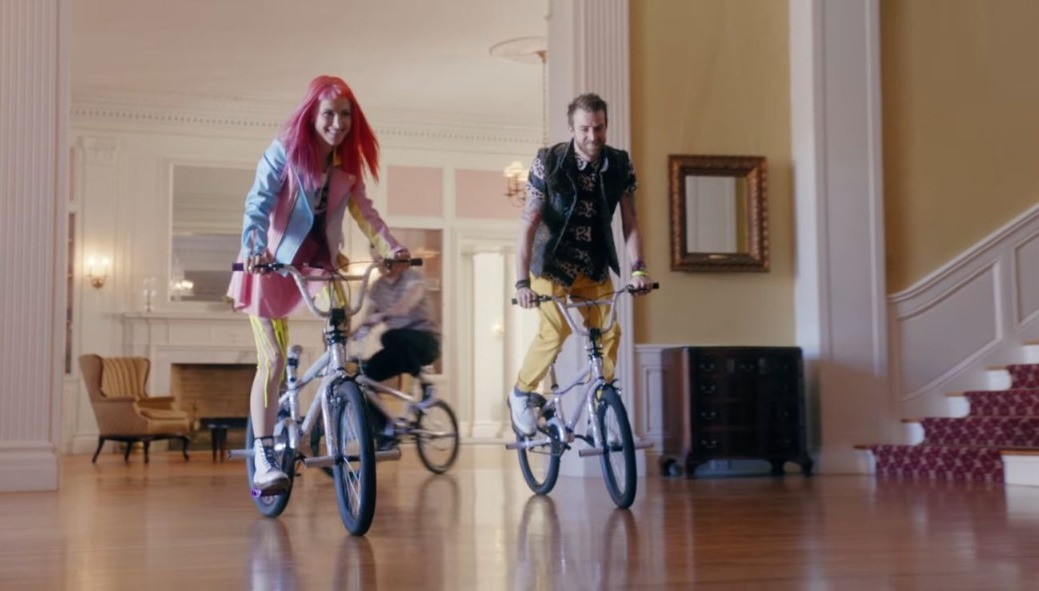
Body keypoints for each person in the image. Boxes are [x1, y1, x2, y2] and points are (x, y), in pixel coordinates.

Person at [228, 75, 409, 491]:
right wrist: (255, 250)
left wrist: (393, 249)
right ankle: (263, 457)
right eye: (329, 113)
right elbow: (257, 206)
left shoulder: (347, 168)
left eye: (345, 115)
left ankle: (329, 415)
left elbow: (367, 215)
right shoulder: (283, 154)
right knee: (270, 360)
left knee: (339, 341)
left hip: (319, 264)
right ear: (311, 115)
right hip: (270, 265)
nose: (338, 123)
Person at [510, 92, 653, 437]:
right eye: (585, 129)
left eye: (599, 128)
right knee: (555, 330)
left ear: (606, 125)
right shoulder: (549, 162)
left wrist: (639, 269)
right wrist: (521, 283)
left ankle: (602, 399)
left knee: (609, 331)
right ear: (572, 128)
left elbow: (630, 221)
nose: (593, 137)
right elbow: (528, 224)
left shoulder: (620, 164)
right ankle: (521, 392)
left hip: (593, 266)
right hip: (551, 265)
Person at [358, 251, 441, 448]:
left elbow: (405, 306)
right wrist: (350, 335)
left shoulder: (413, 278)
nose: (381, 264)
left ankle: (427, 385)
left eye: (385, 259)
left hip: (425, 342)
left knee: (391, 335)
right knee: (366, 376)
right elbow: (367, 320)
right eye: (377, 259)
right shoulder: (377, 287)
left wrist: (383, 315)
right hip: (399, 349)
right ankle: (388, 429)